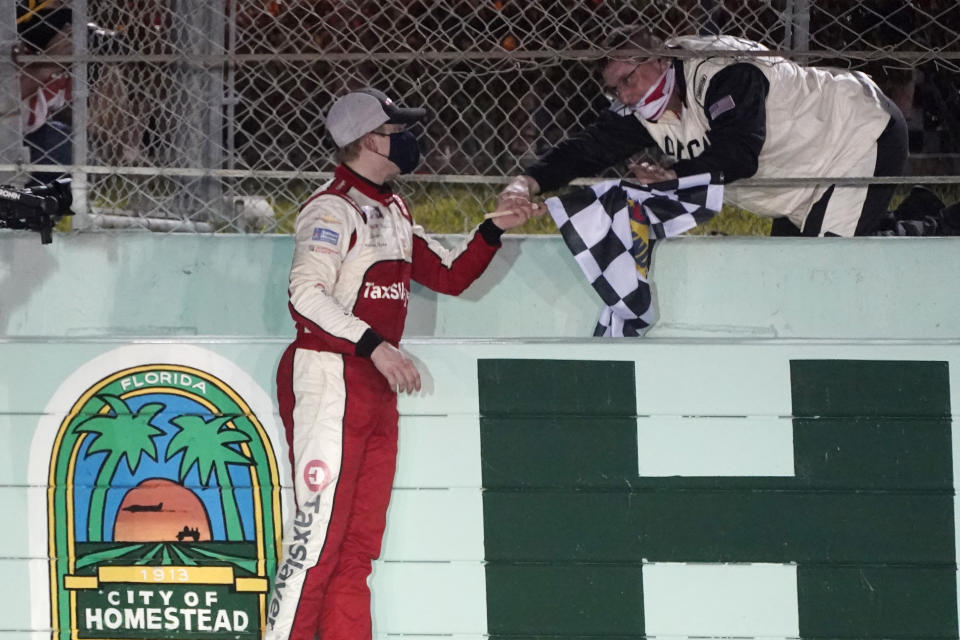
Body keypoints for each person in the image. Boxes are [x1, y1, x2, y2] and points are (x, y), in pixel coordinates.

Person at [265, 87, 539, 640]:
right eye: (398, 129)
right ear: (369, 139)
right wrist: (375, 345)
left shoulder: (392, 207)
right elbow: (304, 295)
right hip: (330, 379)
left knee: (357, 551)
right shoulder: (330, 208)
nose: (411, 138)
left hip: (370, 389)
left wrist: (494, 227)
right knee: (316, 545)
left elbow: (450, 276)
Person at [501, 29, 914, 237]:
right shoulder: (641, 107)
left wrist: (676, 176)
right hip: (799, 176)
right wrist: (526, 183)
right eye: (615, 88)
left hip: (856, 133)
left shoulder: (723, 72)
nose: (625, 94)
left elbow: (738, 153)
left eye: (629, 78)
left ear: (660, 59)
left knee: (822, 271)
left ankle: (932, 227)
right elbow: (585, 151)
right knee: (797, 266)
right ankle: (916, 217)